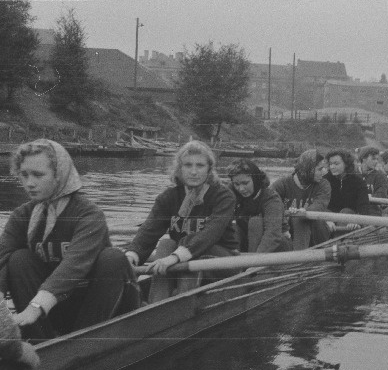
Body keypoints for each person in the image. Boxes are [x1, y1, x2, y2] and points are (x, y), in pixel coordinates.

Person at [0, 139, 138, 341]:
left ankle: (83, 343)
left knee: (113, 257)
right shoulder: (22, 215)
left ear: (59, 175)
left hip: (103, 305)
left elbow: (75, 265)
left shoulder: (89, 214)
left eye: (38, 175)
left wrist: (36, 306)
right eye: (24, 175)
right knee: (18, 259)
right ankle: (40, 341)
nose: (29, 183)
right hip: (60, 305)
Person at [124, 140, 238, 301]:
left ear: (209, 170)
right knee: (166, 244)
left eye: (200, 166)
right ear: (179, 169)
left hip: (221, 262)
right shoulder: (168, 197)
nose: (193, 171)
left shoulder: (223, 196)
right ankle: (156, 304)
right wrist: (131, 256)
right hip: (181, 260)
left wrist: (176, 257)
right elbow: (149, 231)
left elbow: (210, 234)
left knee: (188, 251)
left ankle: (182, 304)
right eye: (188, 165)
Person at [270, 149, 331, 250]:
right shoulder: (281, 184)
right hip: (289, 232)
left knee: (300, 219)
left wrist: (305, 212)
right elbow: (270, 205)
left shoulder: (323, 184)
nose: (324, 172)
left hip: (316, 231)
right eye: (320, 169)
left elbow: (320, 204)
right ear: (308, 169)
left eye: (324, 169)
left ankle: (300, 257)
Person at [227, 159, 291, 254]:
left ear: (255, 179)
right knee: (231, 226)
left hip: (275, 246)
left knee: (255, 222)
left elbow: (273, 235)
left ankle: (248, 265)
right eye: (236, 184)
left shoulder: (271, 198)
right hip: (247, 242)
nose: (241, 189)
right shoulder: (231, 192)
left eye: (245, 183)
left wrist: (254, 263)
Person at [324, 149, 370, 215]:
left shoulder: (358, 182)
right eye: (330, 164)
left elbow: (364, 206)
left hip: (349, 218)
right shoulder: (325, 180)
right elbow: (320, 204)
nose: (332, 167)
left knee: (346, 211)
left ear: (346, 164)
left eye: (336, 164)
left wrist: (356, 221)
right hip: (329, 218)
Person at [357, 147, 387, 216]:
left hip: (372, 211)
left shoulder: (380, 176)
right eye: (373, 159)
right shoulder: (352, 173)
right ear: (363, 159)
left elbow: (382, 195)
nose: (376, 161)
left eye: (377, 159)